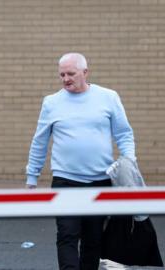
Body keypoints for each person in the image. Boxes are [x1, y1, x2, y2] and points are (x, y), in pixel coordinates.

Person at [25, 52, 136, 270]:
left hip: (99, 181)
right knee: (67, 235)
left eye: (71, 74)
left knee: (93, 240)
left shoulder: (108, 97)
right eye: (62, 75)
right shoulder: (51, 102)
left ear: (85, 73)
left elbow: (124, 134)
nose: (66, 79)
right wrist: (32, 176)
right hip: (65, 181)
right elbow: (40, 141)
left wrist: (129, 161)